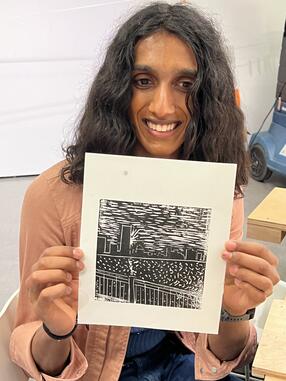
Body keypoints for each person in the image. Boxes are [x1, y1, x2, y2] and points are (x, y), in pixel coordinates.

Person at [10, 2, 280, 381]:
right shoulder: (53, 197)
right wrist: (56, 329)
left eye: (186, 85)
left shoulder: (220, 195)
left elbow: (218, 356)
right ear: (118, 88)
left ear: (207, 97)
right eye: (143, 80)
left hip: (182, 362)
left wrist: (232, 313)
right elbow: (31, 353)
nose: (163, 106)